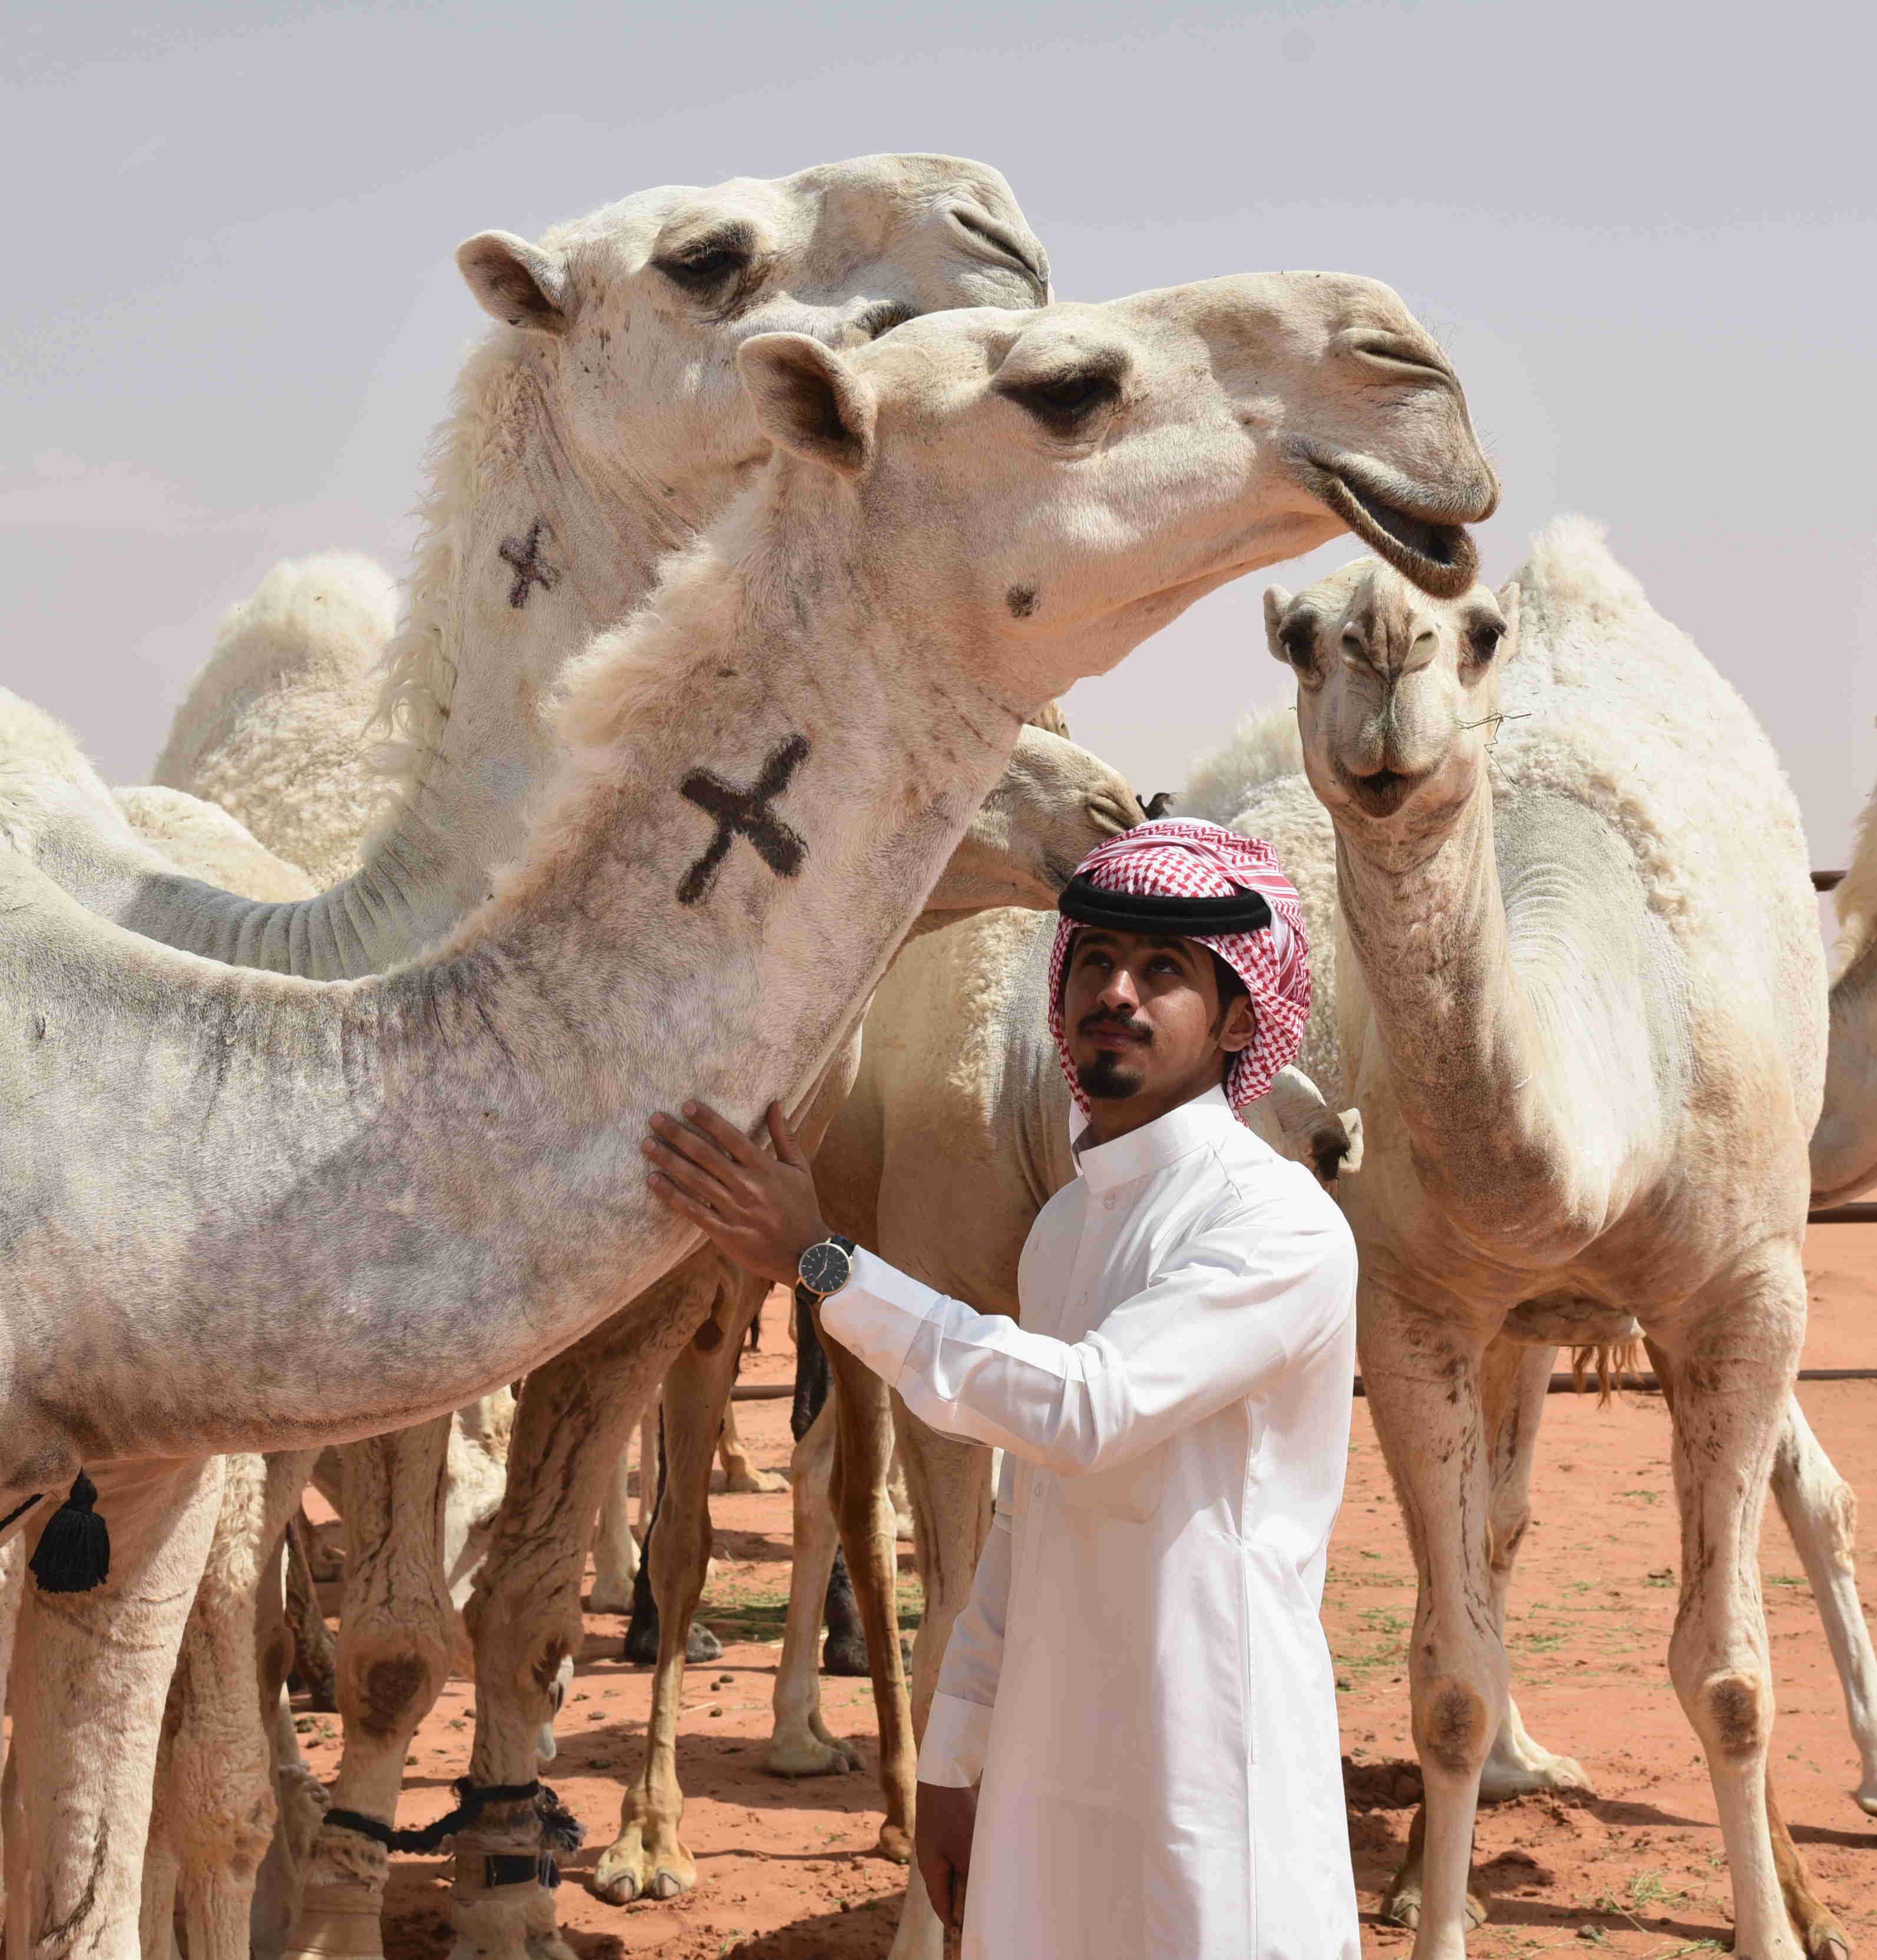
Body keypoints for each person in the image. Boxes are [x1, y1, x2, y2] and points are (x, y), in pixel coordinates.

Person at [642, 819, 1359, 1959]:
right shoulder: (1069, 1225)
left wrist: (822, 1266)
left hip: (1212, 1772)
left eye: (1162, 970)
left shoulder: (1275, 1223)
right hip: (1043, 1763)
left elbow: (1086, 1413)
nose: (1116, 992)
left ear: (1235, 1020)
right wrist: (956, 1759)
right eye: (1094, 961)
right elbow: (1026, 1517)